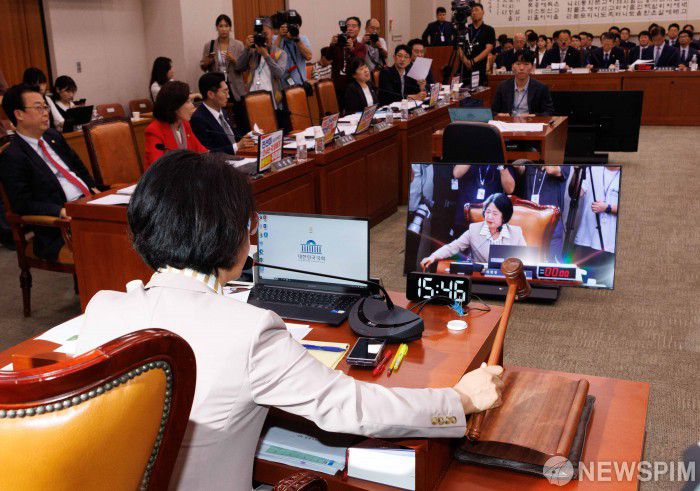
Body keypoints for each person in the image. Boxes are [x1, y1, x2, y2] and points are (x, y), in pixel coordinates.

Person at [74, 150, 505, 490]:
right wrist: (458, 400)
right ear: (231, 233)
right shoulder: (248, 330)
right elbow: (353, 408)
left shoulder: (103, 308)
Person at [0, 84, 97, 260]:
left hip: (88, 206)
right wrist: (59, 211)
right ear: (19, 114)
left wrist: (92, 188)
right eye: (39, 108)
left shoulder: (53, 136)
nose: (46, 113)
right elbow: (22, 204)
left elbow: (79, 168)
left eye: (46, 107)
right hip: (59, 226)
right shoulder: (13, 155)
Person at [420, 193, 526, 269]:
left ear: (504, 217)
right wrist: (433, 257)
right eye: (487, 212)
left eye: (495, 213)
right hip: (480, 278)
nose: (489, 216)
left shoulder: (516, 233)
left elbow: (525, 259)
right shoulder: (474, 230)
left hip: (508, 279)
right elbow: (452, 247)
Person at [570, 165, 620, 288]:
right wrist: (576, 172)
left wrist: (607, 208)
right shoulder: (592, 169)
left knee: (603, 285)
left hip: (609, 245)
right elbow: (575, 194)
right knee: (578, 283)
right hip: (585, 240)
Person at [513, 160, 570, 261]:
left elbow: (551, 170)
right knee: (527, 259)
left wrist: (545, 157)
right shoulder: (530, 164)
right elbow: (516, 164)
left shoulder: (562, 163)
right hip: (529, 220)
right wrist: (529, 158)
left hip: (552, 221)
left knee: (552, 260)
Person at [200, 14, 247, 131]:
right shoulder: (210, 45)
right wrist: (208, 60)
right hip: (218, 85)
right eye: (221, 26)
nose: (224, 29)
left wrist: (234, 60)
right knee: (222, 115)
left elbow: (244, 67)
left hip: (235, 85)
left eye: (226, 26)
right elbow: (203, 67)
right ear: (217, 28)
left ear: (230, 28)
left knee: (240, 116)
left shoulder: (238, 45)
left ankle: (241, 136)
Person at [144, 81, 207, 168]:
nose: (192, 106)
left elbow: (202, 152)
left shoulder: (185, 124)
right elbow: (157, 168)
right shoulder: (154, 130)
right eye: (188, 102)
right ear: (174, 106)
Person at [190, 73, 252, 155]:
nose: (228, 96)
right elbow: (208, 153)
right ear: (211, 94)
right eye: (224, 92)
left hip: (239, 156)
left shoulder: (223, 111)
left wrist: (248, 137)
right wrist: (237, 146)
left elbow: (233, 137)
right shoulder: (198, 119)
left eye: (228, 91)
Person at [237, 17, 288, 109]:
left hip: (272, 99)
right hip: (252, 97)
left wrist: (266, 55)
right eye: (259, 34)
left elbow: (279, 73)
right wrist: (246, 48)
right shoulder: (252, 51)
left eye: (265, 34)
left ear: (272, 33)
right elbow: (239, 67)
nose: (262, 37)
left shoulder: (280, 53)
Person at [451, 164, 516, 230]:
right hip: (464, 216)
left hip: (491, 219)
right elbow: (456, 173)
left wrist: (501, 166)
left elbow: (510, 189)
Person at [491, 50, 554, 116]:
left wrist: (534, 116)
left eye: (526, 64)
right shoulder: (503, 86)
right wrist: (500, 114)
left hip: (530, 121)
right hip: (508, 121)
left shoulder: (541, 88)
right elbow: (493, 111)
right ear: (512, 66)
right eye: (518, 64)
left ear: (532, 67)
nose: (521, 68)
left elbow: (549, 112)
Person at [328, 16, 367, 106]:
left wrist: (352, 49)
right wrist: (332, 44)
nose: (350, 28)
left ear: (359, 29)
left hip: (354, 86)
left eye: (354, 26)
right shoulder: (338, 43)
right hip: (338, 85)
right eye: (348, 26)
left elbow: (359, 63)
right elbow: (327, 58)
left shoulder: (361, 46)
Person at [458, 3, 495, 85]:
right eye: (472, 11)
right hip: (464, 67)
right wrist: (466, 61)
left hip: (479, 66)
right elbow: (459, 47)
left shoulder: (489, 29)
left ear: (483, 12)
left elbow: (488, 48)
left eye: (477, 10)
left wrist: (473, 61)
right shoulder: (466, 29)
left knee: (478, 89)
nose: (474, 13)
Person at [273, 11, 313, 87]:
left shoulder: (302, 39)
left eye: (295, 26)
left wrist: (297, 40)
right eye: (289, 26)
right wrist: (280, 37)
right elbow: (272, 58)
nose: (292, 28)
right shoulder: (276, 39)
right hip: (281, 86)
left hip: (300, 85)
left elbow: (309, 57)